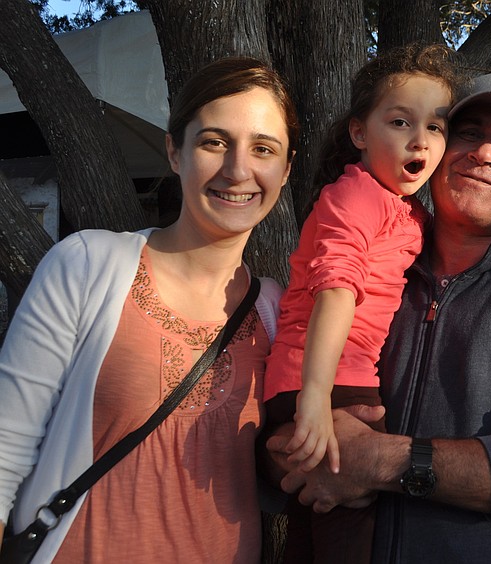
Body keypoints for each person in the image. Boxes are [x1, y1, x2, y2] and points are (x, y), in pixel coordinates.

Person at [262, 71, 491, 563]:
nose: (485, 153)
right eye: (468, 132)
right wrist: (287, 456)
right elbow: (272, 433)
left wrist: (383, 461)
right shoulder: (377, 265)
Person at [0, 56, 298, 563]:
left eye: (263, 148)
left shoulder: (275, 311)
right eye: (214, 142)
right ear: (175, 151)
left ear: (285, 170)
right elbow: (4, 449)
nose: (237, 169)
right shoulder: (88, 264)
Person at [263, 42, 464, 564]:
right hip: (325, 385)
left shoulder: (407, 212)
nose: (420, 139)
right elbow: (335, 291)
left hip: (331, 383)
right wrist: (315, 396)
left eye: (437, 127)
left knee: (317, 531)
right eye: (400, 122)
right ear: (359, 133)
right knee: (355, 532)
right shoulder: (355, 196)